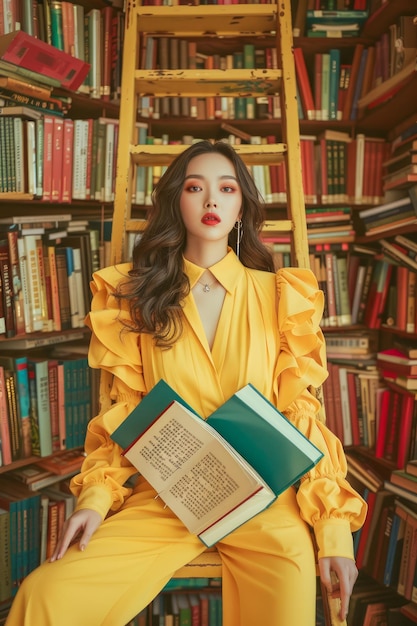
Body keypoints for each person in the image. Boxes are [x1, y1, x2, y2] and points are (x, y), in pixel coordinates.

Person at [6, 140, 366, 626]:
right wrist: (94, 499)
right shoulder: (137, 297)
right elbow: (127, 412)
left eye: (226, 188)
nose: (211, 200)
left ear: (241, 206)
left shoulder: (282, 295)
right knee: (45, 593)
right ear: (177, 200)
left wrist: (334, 533)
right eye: (195, 187)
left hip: (263, 502)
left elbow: (303, 417)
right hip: (165, 497)